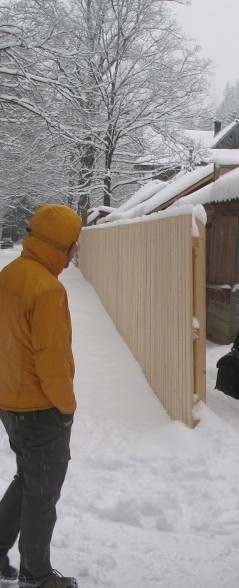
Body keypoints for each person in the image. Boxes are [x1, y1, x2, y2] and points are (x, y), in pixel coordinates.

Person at [0, 204, 82, 588]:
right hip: (39, 408)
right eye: (73, 245)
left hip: (10, 403)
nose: (76, 252)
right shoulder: (48, 289)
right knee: (42, 495)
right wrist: (66, 409)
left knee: (28, 479)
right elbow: (53, 363)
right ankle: (36, 576)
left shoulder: (10, 274)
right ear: (59, 245)